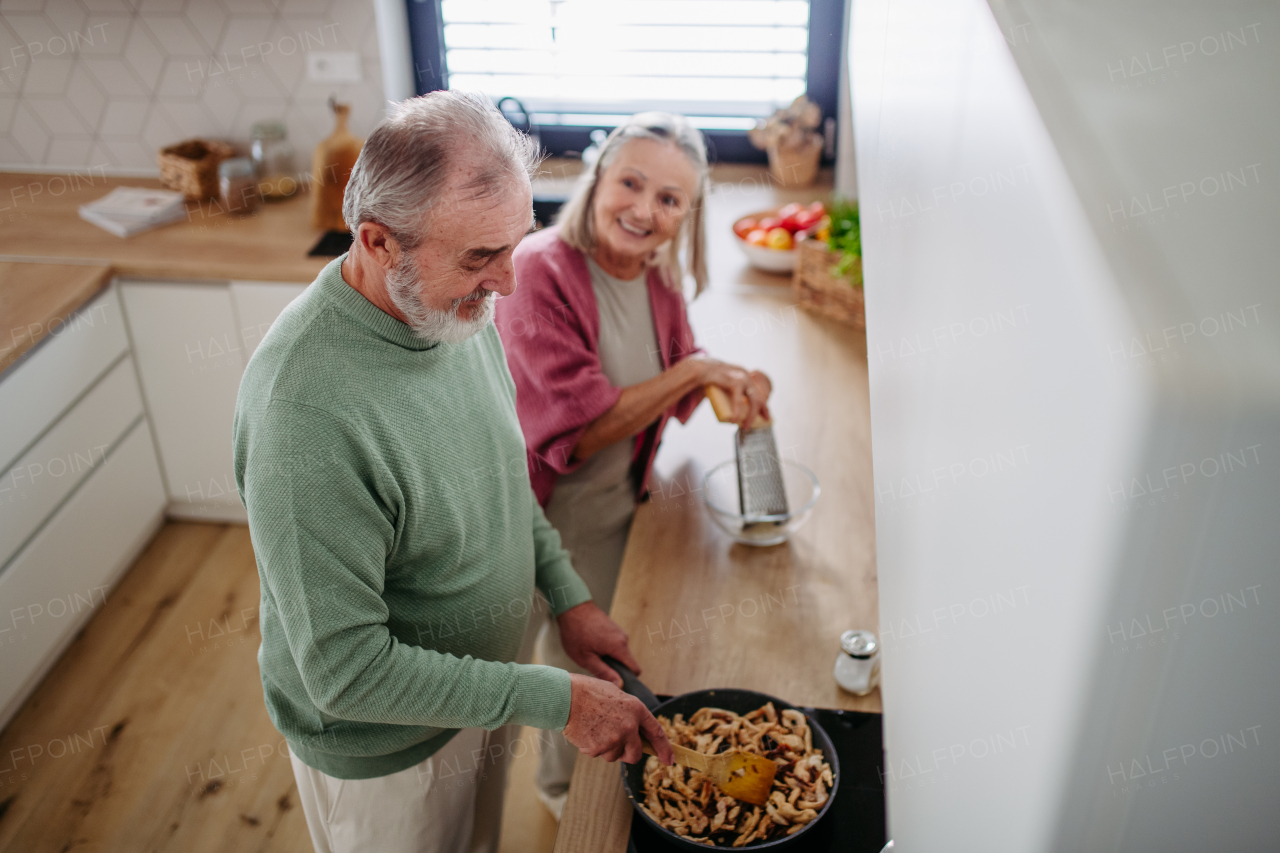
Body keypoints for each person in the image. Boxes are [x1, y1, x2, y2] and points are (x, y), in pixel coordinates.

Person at [232, 91, 673, 853]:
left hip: (482, 698)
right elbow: (346, 672)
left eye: (513, 244)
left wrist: (568, 598)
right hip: (385, 755)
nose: (508, 281)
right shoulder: (304, 411)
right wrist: (551, 696)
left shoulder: (456, 308)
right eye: (479, 256)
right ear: (378, 242)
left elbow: (505, 478)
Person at [495, 113, 773, 818]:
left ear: (688, 214)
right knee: (567, 669)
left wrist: (730, 388)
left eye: (671, 198)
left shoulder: (655, 282)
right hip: (542, 519)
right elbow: (579, 432)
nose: (646, 210)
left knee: (603, 665)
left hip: (624, 505)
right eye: (632, 183)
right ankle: (565, 800)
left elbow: (677, 370)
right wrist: (696, 373)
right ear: (600, 178)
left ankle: (578, 786)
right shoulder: (538, 272)